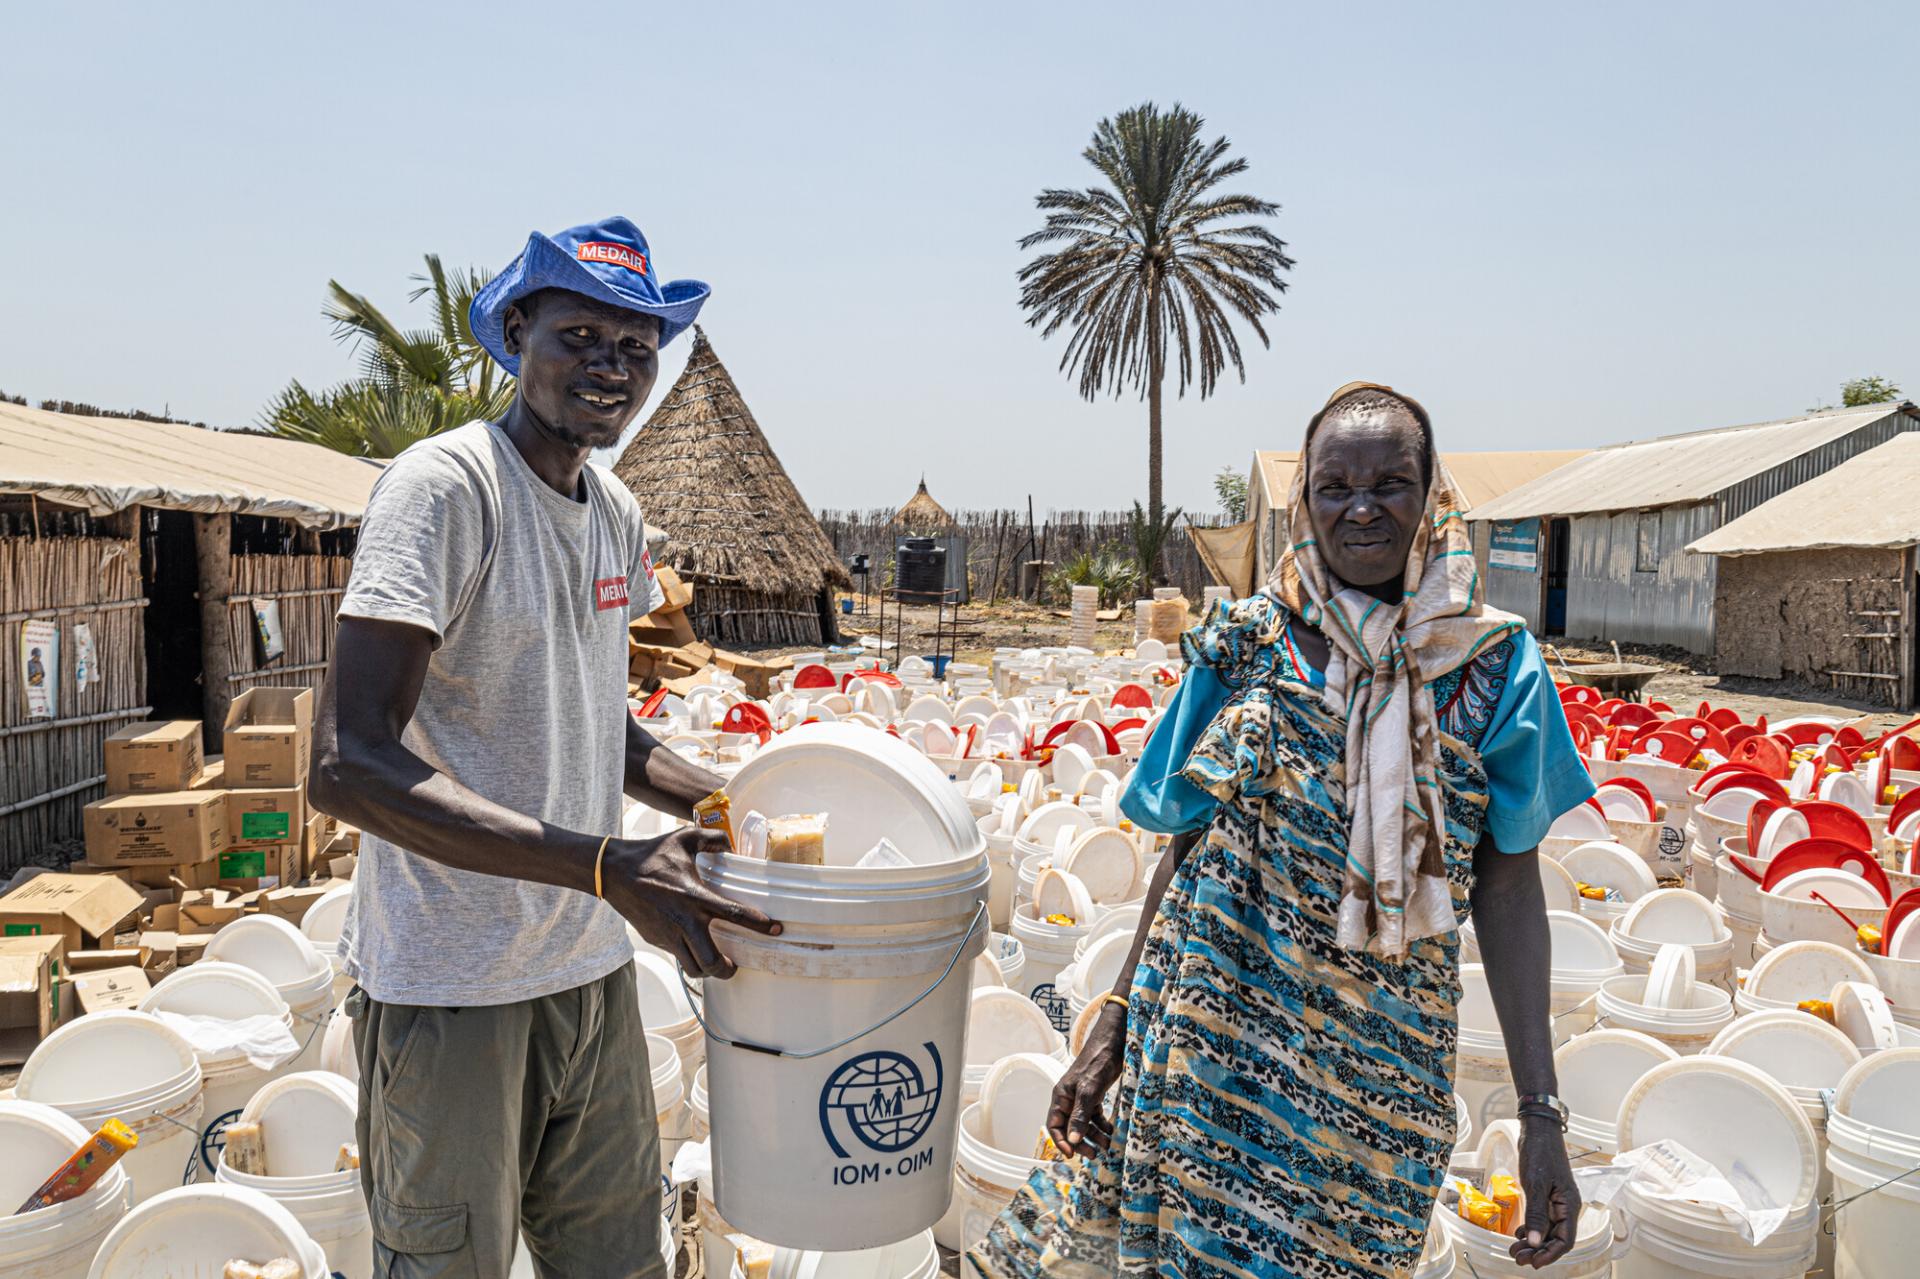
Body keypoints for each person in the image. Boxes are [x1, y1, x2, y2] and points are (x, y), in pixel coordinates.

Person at [971, 383, 1592, 1278]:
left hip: (1383, 1071)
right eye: (1333, 485)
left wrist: (1539, 1111)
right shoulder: (1251, 642)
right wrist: (1112, 1017)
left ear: (1434, 499)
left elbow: (1507, 886)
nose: (1362, 506)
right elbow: (1186, 844)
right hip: (1214, 1042)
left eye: (1392, 481)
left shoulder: (1497, 668)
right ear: (1305, 505)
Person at [311, 216, 779, 1279]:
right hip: (450, 986)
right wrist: (611, 866)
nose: (609, 368)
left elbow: (589, 719)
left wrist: (718, 794)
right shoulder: (447, 490)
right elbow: (344, 761)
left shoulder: (614, 510)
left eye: (634, 347)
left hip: (587, 970)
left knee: (619, 1261)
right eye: (579, 336)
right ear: (516, 332)